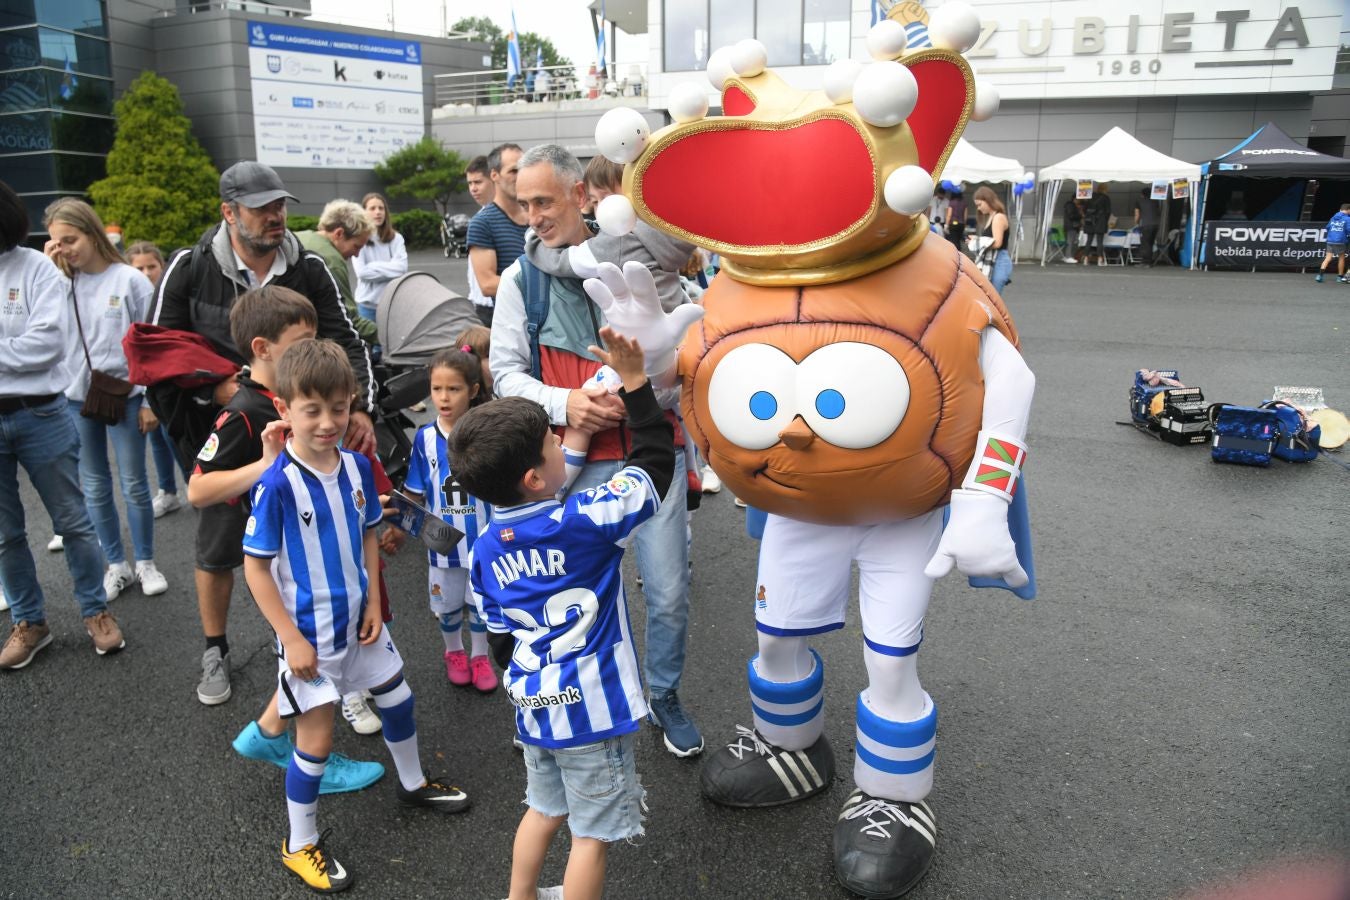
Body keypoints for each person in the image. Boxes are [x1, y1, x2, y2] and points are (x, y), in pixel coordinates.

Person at [489, 143, 704, 757]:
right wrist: (567, 406)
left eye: (544, 202)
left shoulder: (648, 263)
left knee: (667, 591)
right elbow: (504, 373)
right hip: (569, 462)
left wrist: (654, 386)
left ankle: (662, 694)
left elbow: (686, 353)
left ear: (581, 196)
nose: (532, 217)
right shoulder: (519, 278)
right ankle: (570, 696)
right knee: (574, 594)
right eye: (522, 204)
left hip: (648, 450)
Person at [450, 326, 672, 900]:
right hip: (593, 713)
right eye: (553, 445)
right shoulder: (583, 522)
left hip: (535, 704)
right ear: (534, 477)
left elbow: (498, 636)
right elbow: (653, 465)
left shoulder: (484, 549)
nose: (560, 446)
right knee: (592, 835)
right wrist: (637, 384)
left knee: (543, 809)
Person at [243, 338, 471, 893]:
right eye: (311, 410)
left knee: (399, 699)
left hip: (360, 622)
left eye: (338, 408)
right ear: (283, 409)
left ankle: (412, 784)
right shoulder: (276, 484)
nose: (327, 422)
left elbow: (371, 532)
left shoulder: (356, 467)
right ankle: (299, 845)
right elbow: (254, 569)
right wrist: (290, 639)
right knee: (315, 743)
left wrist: (373, 600)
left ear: (351, 404)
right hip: (310, 637)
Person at [150, 160, 376, 706]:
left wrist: (360, 407)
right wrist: (215, 392)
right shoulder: (189, 266)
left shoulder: (310, 266)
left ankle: (332, 660)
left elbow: (347, 339)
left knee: (318, 537)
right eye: (262, 208)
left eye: (280, 205)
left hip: (305, 425)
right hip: (228, 427)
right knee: (221, 545)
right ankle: (215, 648)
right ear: (229, 213)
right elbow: (159, 356)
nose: (277, 216)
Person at [188, 285, 385, 784]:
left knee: (317, 655)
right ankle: (304, 757)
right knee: (308, 654)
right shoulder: (247, 412)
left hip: (306, 542)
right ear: (262, 348)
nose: (311, 346)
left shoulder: (305, 401)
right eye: (301, 340)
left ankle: (268, 729)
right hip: (277, 553)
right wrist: (264, 468)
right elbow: (197, 489)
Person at [0, 179, 124, 669]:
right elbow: (23, 350)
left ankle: (95, 610)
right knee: (5, 533)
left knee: (72, 521)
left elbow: (46, 346)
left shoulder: (36, 270)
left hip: (41, 413)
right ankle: (30, 621)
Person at [43, 198, 168, 601]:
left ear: (92, 232)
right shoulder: (60, 282)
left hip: (126, 395)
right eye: (56, 242)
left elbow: (151, 342)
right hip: (75, 398)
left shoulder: (128, 280)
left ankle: (145, 562)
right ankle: (116, 565)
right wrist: (51, 271)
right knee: (93, 486)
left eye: (71, 239)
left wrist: (150, 399)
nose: (65, 248)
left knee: (134, 483)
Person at [400, 348, 496, 692]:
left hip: (484, 541)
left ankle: (480, 656)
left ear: (472, 390)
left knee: (481, 605)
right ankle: (454, 652)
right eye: (436, 388)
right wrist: (398, 522)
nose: (442, 397)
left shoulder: (486, 431)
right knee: (448, 605)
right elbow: (415, 489)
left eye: (453, 389)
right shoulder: (425, 438)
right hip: (442, 543)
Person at [126, 241, 186, 519]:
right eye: (139, 268)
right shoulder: (130, 294)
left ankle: (194, 483)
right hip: (139, 381)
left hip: (169, 380)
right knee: (157, 439)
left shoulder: (170, 295)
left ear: (162, 267)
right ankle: (167, 491)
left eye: (151, 266)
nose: (146, 272)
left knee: (173, 434)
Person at [295, 200, 377, 346]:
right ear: (339, 233)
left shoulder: (300, 237)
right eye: (356, 246)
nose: (357, 255)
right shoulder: (332, 260)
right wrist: (386, 335)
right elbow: (349, 318)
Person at [467, 143, 528, 326]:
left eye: (524, 169)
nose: (521, 176)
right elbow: (487, 284)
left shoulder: (537, 216)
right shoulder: (482, 223)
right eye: (513, 171)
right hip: (507, 325)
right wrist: (541, 282)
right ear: (494, 175)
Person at [353, 192, 407, 322]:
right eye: (372, 208)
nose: (378, 212)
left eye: (381, 208)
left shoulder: (396, 238)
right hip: (367, 307)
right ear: (364, 212)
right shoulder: (359, 238)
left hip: (392, 305)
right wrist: (390, 268)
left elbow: (402, 269)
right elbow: (362, 273)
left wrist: (372, 266)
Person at [463, 156, 495, 313]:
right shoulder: (479, 217)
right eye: (470, 183)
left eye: (478, 182)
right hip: (477, 304)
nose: (473, 189)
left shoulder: (510, 216)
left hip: (497, 307)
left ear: (494, 179)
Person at [972, 186, 1012, 295]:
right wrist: (978, 240)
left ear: (988, 200)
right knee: (991, 300)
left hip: (999, 260)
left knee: (992, 301)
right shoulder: (993, 216)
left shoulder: (998, 217)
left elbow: (997, 243)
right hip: (996, 260)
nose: (979, 208)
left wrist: (978, 241)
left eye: (980, 205)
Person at [1315, 203, 1350, 284]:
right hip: (1341, 241)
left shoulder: (1333, 217)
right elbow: (1349, 230)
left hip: (1330, 240)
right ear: (1348, 210)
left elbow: (1327, 227)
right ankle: (1339, 277)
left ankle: (1319, 276)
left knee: (1328, 258)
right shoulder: (1348, 219)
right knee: (1341, 258)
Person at [1083, 183, 1112, 266]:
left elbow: (1085, 209)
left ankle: (1085, 258)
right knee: (1100, 241)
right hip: (1101, 220)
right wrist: (1105, 220)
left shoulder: (1089, 197)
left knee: (1089, 240)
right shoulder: (1106, 198)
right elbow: (1108, 211)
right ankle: (1100, 259)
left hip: (1090, 221)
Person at [1133, 188, 1162, 267]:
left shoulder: (1139, 201)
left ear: (1142, 194)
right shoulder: (1155, 201)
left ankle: (1145, 262)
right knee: (1151, 243)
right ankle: (1149, 261)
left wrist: (1136, 223)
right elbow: (1158, 212)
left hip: (1146, 225)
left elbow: (1137, 214)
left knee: (1145, 244)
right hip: (1156, 225)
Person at [1061, 195, 1084, 264]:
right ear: (1075, 199)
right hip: (1072, 226)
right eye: (1079, 199)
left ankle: (1067, 256)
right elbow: (1072, 216)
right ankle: (1069, 256)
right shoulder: (1071, 206)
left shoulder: (1069, 205)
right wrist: (1080, 215)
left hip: (1069, 226)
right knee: (1070, 242)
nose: (1079, 201)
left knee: (1070, 242)